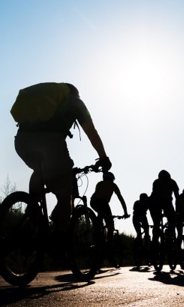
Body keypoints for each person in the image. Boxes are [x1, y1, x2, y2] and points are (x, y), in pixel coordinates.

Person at [12, 82, 112, 241]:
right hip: (50, 142)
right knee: (65, 193)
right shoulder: (75, 102)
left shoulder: (47, 102)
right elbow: (91, 132)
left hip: (22, 141)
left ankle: (33, 213)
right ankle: (59, 239)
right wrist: (103, 157)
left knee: (40, 170)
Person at [90, 171, 129, 265]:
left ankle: (97, 234)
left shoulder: (99, 183)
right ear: (111, 179)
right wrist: (125, 212)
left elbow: (98, 197)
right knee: (110, 227)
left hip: (93, 201)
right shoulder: (113, 185)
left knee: (100, 220)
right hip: (103, 203)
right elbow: (121, 199)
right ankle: (109, 250)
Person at [149, 170, 179, 248]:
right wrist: (178, 210)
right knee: (172, 219)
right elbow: (177, 198)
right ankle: (170, 234)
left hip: (155, 203)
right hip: (165, 202)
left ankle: (154, 242)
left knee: (156, 223)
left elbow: (154, 195)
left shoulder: (156, 182)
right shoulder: (172, 182)